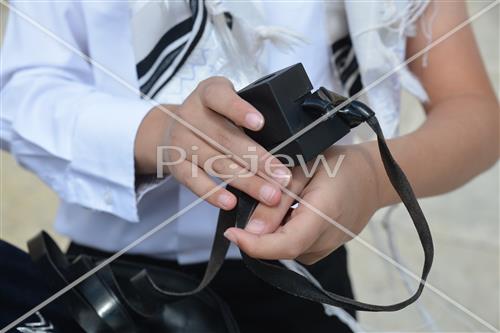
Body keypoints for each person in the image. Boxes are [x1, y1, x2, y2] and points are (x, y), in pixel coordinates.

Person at [1, 1, 498, 332]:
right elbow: (21, 88)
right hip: (109, 284)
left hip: (304, 282)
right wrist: (156, 130)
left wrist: (370, 176)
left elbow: (474, 111)